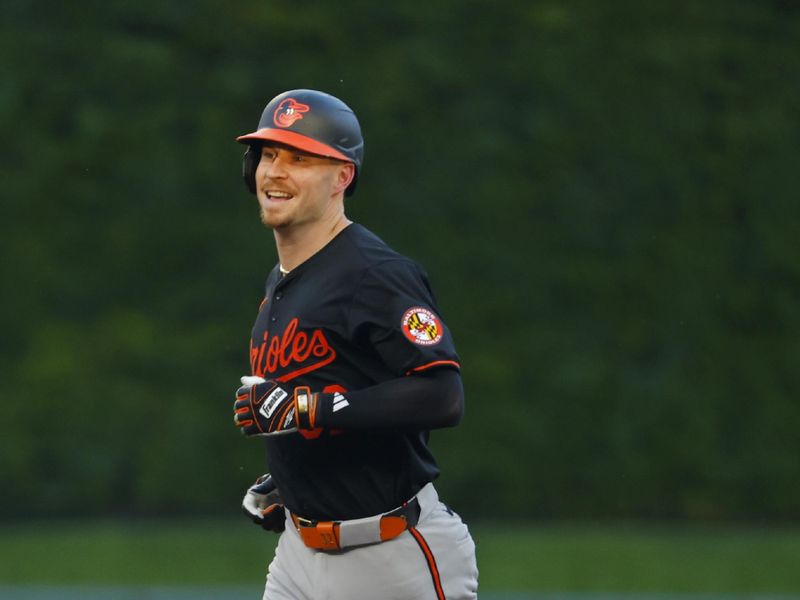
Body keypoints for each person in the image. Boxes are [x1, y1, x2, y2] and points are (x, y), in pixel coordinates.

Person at [231, 89, 479, 600]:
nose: (276, 171)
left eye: (300, 158)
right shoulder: (283, 280)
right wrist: (298, 477)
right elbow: (342, 393)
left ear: (342, 177)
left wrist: (305, 409)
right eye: (269, 154)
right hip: (298, 556)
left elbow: (441, 395)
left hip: (391, 556)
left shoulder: (376, 274)